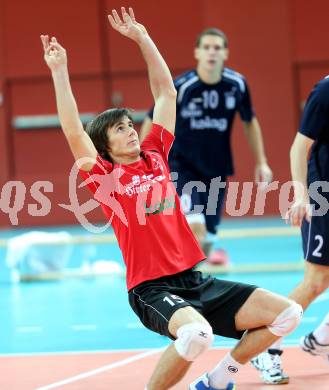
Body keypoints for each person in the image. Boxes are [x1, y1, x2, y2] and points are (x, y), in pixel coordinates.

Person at [41, 7, 302, 390]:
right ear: (104, 145)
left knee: (289, 315)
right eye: (119, 129)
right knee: (196, 336)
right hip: (152, 289)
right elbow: (71, 129)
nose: (130, 131)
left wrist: (143, 38)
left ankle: (217, 379)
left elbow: (166, 91)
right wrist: (59, 70)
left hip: (194, 280)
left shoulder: (156, 155)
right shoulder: (104, 177)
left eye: (130, 125)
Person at [140, 27, 272, 261]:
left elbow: (249, 122)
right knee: (195, 226)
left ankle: (197, 276)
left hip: (216, 168)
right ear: (197, 53)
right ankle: (180, 278)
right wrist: (143, 161)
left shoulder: (237, 85)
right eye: (207, 48)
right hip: (181, 165)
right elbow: (152, 117)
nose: (212, 53)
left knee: (209, 236)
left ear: (225, 54)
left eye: (217, 48)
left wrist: (261, 162)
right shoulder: (182, 87)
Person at [252, 76, 329, 384]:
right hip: (323, 193)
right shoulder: (325, 90)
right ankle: (266, 350)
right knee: (316, 281)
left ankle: (322, 339)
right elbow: (300, 147)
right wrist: (302, 196)